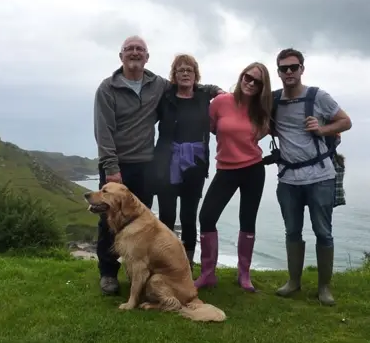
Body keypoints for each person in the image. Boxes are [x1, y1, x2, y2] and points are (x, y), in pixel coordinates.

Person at [93, 36, 223, 296]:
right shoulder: (108, 88)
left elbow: (188, 85)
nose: (134, 53)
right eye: (129, 49)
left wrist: (215, 90)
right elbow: (103, 131)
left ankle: (143, 269)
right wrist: (111, 167)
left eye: (139, 49)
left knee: (139, 222)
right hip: (117, 165)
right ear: (121, 56)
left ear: (147, 57)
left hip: (147, 164)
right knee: (109, 220)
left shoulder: (157, 85)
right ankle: (108, 274)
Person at [268, 48, 352, 306]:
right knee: (292, 231)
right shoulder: (272, 100)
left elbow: (345, 121)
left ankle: (324, 287)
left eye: (294, 67)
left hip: (320, 176)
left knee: (323, 232)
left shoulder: (318, 96)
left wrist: (322, 128)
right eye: (284, 68)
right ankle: (294, 282)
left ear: (302, 68)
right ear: (278, 71)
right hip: (288, 179)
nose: (289, 72)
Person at [193, 62, 273, 293]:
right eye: (248, 77)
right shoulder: (220, 102)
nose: (250, 83)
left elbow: (284, 126)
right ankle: (208, 274)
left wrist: (328, 132)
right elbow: (205, 126)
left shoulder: (263, 109)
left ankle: (244, 275)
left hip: (254, 169)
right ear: (241, 76)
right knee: (207, 217)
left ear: (262, 87)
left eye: (257, 81)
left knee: (247, 221)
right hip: (225, 169)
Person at [152, 54, 212, 270]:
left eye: (190, 70)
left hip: (195, 164)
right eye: (181, 70)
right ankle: (166, 260)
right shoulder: (165, 98)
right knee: (167, 215)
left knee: (188, 216)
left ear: (196, 75)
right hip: (166, 162)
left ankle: (187, 264)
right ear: (174, 75)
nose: (185, 73)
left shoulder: (204, 97)